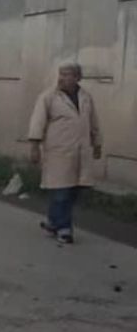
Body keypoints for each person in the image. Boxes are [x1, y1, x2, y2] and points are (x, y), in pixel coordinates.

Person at [27, 63, 102, 244]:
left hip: (80, 152)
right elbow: (37, 122)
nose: (61, 78)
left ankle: (53, 222)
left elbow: (94, 122)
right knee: (61, 191)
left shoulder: (86, 97)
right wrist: (34, 146)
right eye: (60, 74)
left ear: (77, 77)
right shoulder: (48, 97)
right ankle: (64, 229)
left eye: (67, 74)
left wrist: (97, 144)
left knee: (73, 190)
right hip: (58, 152)